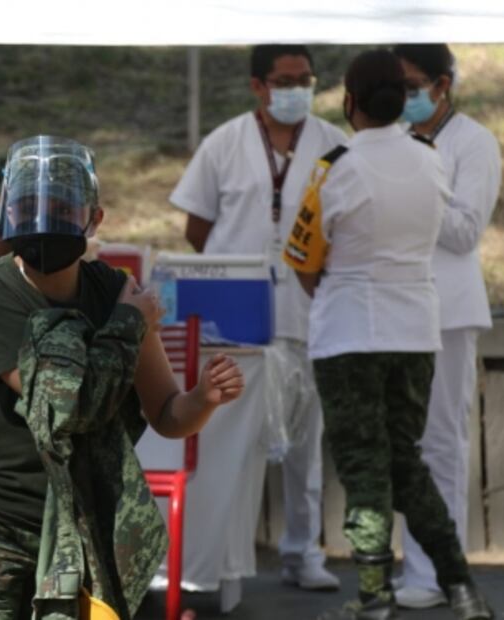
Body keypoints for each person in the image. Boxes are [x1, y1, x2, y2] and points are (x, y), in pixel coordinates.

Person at [0, 135, 245, 620]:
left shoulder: (114, 291)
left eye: (60, 210)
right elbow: (64, 407)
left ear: (95, 220)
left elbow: (168, 414)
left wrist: (203, 398)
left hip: (75, 530)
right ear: (6, 213)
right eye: (29, 208)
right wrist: (130, 323)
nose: (43, 223)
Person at [283, 49, 494, 620]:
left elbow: (303, 258)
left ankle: (374, 595)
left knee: (363, 466)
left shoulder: (334, 167)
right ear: (402, 100)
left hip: (349, 335)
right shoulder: (431, 160)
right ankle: (461, 585)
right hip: (418, 331)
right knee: (408, 462)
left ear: (350, 101)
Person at [170, 44, 346, 591]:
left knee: (304, 441)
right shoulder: (225, 141)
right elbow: (197, 229)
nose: (296, 89)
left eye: (305, 78)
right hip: (235, 320)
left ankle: (303, 552)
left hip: (309, 309)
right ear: (257, 86)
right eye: (284, 79)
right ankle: (219, 561)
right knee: (226, 440)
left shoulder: (334, 144)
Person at [391, 43, 502, 611]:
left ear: (442, 84)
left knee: (443, 445)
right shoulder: (393, 140)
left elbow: (463, 232)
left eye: (411, 85)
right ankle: (415, 565)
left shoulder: (474, 142)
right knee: (404, 445)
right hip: (396, 310)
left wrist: (412, 185)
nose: (402, 96)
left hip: (450, 315)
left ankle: (440, 572)